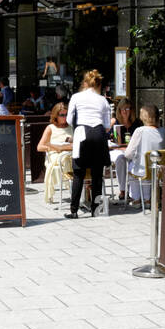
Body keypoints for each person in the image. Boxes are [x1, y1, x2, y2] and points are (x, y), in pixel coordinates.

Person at [65, 69, 111, 218]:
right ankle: (95, 210)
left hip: (82, 133)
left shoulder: (76, 97)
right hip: (98, 133)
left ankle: (74, 211)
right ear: (98, 84)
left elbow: (69, 120)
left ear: (85, 83)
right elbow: (106, 124)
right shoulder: (103, 100)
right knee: (97, 174)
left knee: (79, 173)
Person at [124, 105, 165, 204]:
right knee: (143, 166)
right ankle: (147, 199)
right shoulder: (163, 131)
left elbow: (128, 154)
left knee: (130, 167)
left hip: (143, 169)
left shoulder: (139, 131)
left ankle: (136, 199)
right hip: (159, 170)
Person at [36, 102, 74, 204]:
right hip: (55, 154)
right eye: (62, 115)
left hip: (70, 153)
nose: (65, 117)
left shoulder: (72, 127)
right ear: (55, 115)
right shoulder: (50, 128)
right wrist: (54, 147)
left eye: (66, 114)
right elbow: (39, 147)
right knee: (64, 160)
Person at [109, 97, 136, 200]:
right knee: (121, 158)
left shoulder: (136, 123)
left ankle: (134, 191)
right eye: (122, 109)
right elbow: (108, 139)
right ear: (119, 110)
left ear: (131, 110)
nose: (124, 111)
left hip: (131, 150)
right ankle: (123, 190)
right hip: (117, 149)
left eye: (127, 108)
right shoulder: (114, 122)